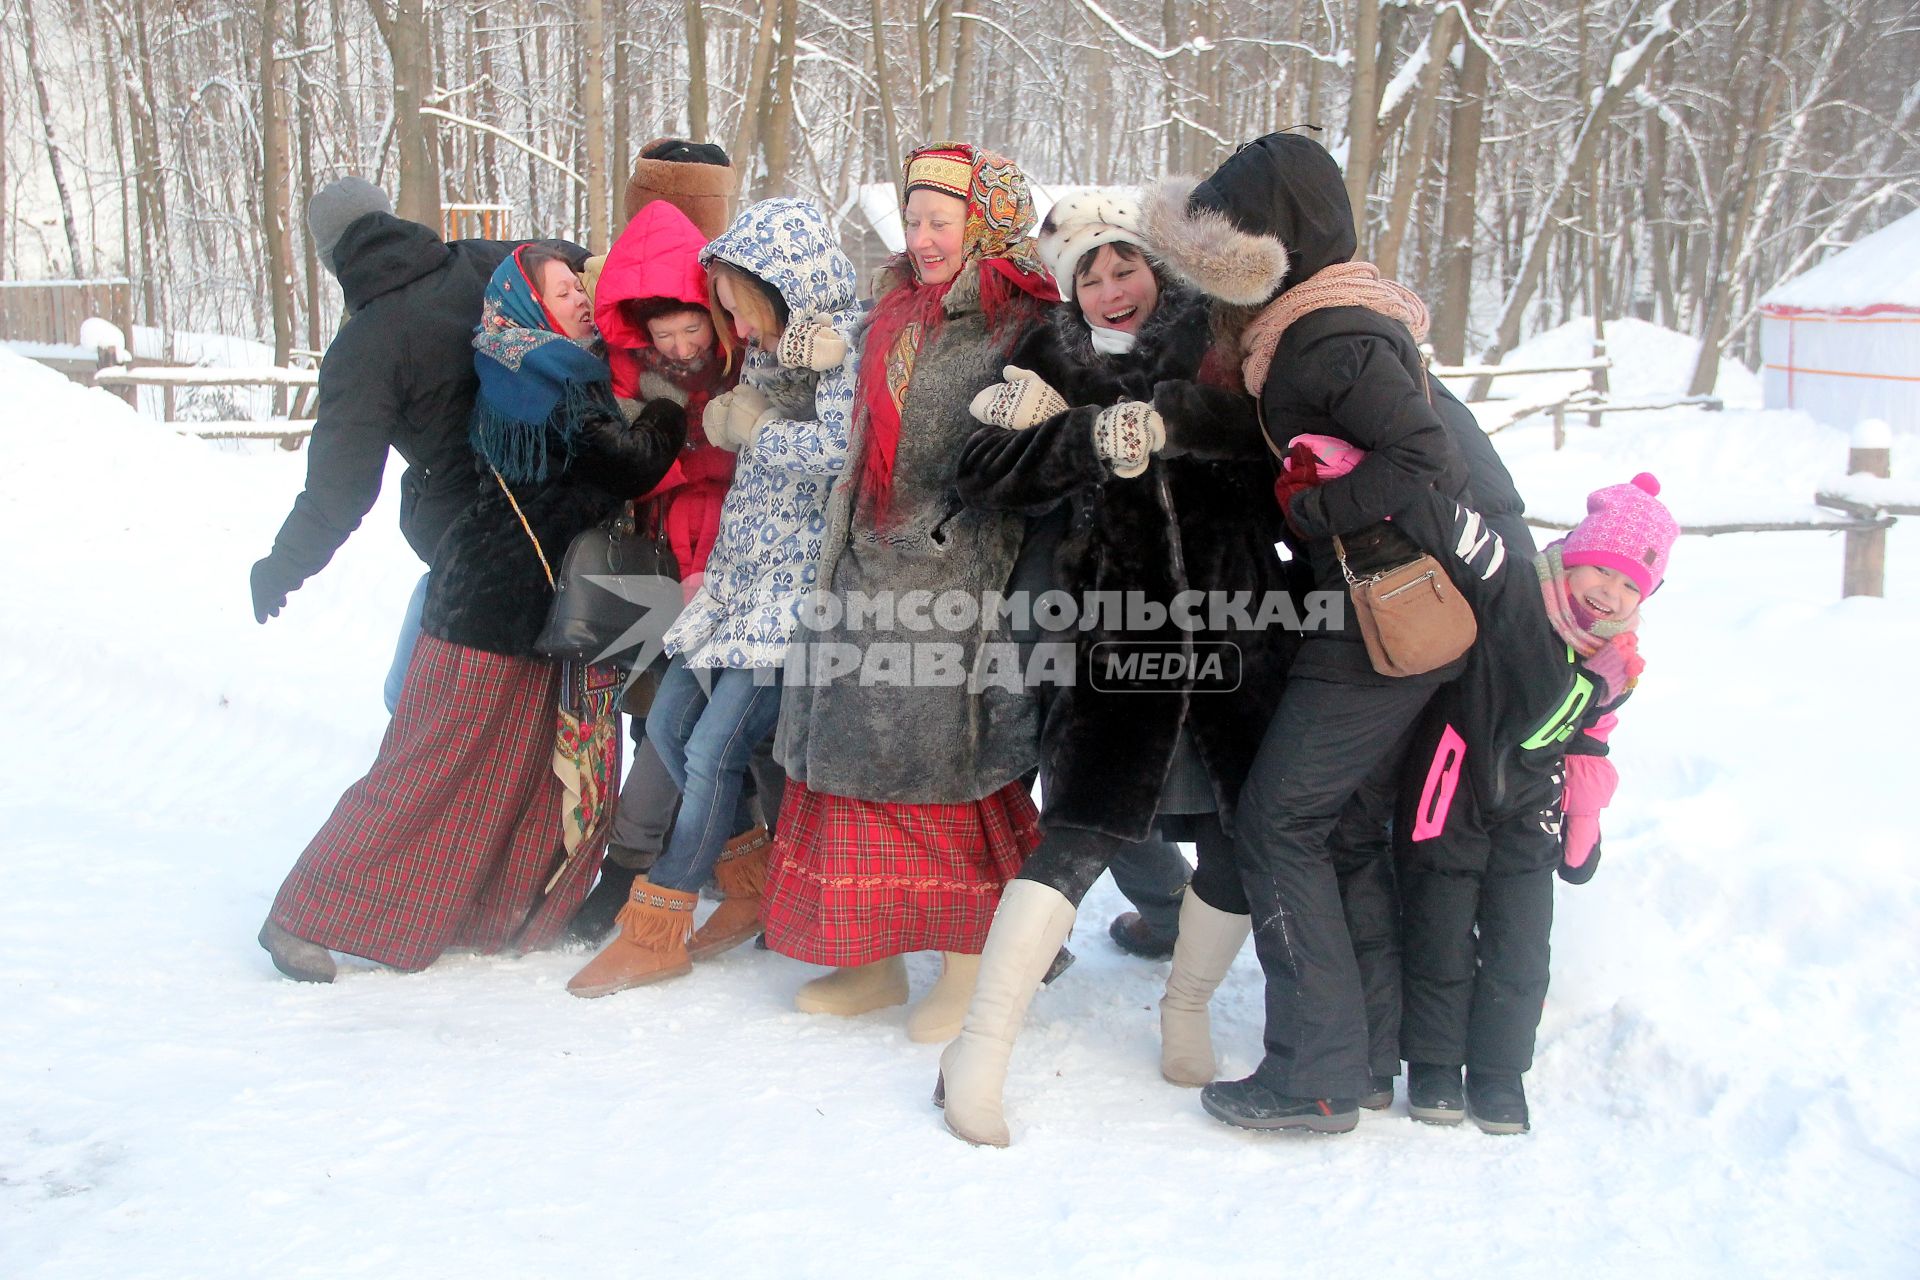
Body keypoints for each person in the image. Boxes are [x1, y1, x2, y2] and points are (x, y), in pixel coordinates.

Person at [935, 190, 1294, 1145]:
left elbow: (1272, 456)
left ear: (1155, 266)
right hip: (1114, 633)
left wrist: (1181, 423)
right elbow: (975, 470)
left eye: (1123, 263)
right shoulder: (1046, 354)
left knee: (1236, 833)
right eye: (1088, 273)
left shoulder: (1211, 336)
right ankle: (981, 1048)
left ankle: (1184, 1007)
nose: (1109, 287)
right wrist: (1079, 438)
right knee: (1080, 831)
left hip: (1235, 625)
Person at [1141, 132, 1477, 1133]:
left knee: (1275, 820)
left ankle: (1316, 1074)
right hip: (1359, 614)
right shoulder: (1315, 325)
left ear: (1277, 235)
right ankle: (1363, 1056)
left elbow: (1425, 463)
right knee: (1324, 826)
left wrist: (1311, 508)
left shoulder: (1327, 334)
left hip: (1376, 618)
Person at [256, 243, 679, 982]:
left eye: (580, 287)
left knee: (507, 775)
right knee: (424, 768)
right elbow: (628, 463)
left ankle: (481, 915)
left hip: (523, 609)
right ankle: (299, 915)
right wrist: (671, 409)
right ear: (528, 304)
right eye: (562, 290)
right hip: (484, 607)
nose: (580, 298)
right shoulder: (546, 375)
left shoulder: (527, 365)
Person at [765, 143, 1059, 1042]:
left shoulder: (1023, 325)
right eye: (916, 219)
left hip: (953, 584)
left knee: (948, 784)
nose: (925, 238)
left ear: (985, 221)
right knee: (855, 783)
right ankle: (870, 963)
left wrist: (1051, 415)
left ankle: (973, 970)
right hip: (860, 574)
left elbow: (1045, 453)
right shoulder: (887, 310)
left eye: (943, 220)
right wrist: (798, 362)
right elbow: (812, 416)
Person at [566, 198, 862, 996]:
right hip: (738, 580)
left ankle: (657, 922)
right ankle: (749, 886)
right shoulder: (773, 348)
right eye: (723, 308)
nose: (732, 323)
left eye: (735, 305)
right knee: (668, 724)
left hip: (793, 593)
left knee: (713, 748)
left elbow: (841, 448)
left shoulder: (839, 343)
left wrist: (755, 428)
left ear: (775, 285)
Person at [1396, 473, 1675, 1133]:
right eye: (1600, 572)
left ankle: (1498, 1074)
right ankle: (1434, 1064)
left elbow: (1586, 744)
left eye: (1631, 585)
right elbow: (1532, 723)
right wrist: (1590, 695)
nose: (1609, 592)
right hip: (1450, 791)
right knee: (1439, 934)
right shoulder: (1518, 603)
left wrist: (1584, 819)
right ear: (1570, 560)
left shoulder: (1615, 657)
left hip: (1528, 810)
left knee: (1520, 946)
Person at [249, 178, 559, 712]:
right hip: (563, 508)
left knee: (408, 701)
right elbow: (578, 264)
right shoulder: (486, 261)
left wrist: (281, 567)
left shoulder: (363, 347)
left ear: (331, 258)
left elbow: (339, 492)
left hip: (476, 543)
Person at [567, 193, 747, 941]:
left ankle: (727, 861)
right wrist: (679, 455)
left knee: (730, 718)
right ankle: (634, 861)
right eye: (662, 333)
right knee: (664, 713)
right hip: (664, 557)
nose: (677, 346)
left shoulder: (749, 364)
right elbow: (630, 465)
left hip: (740, 555)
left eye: (689, 326)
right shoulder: (629, 379)